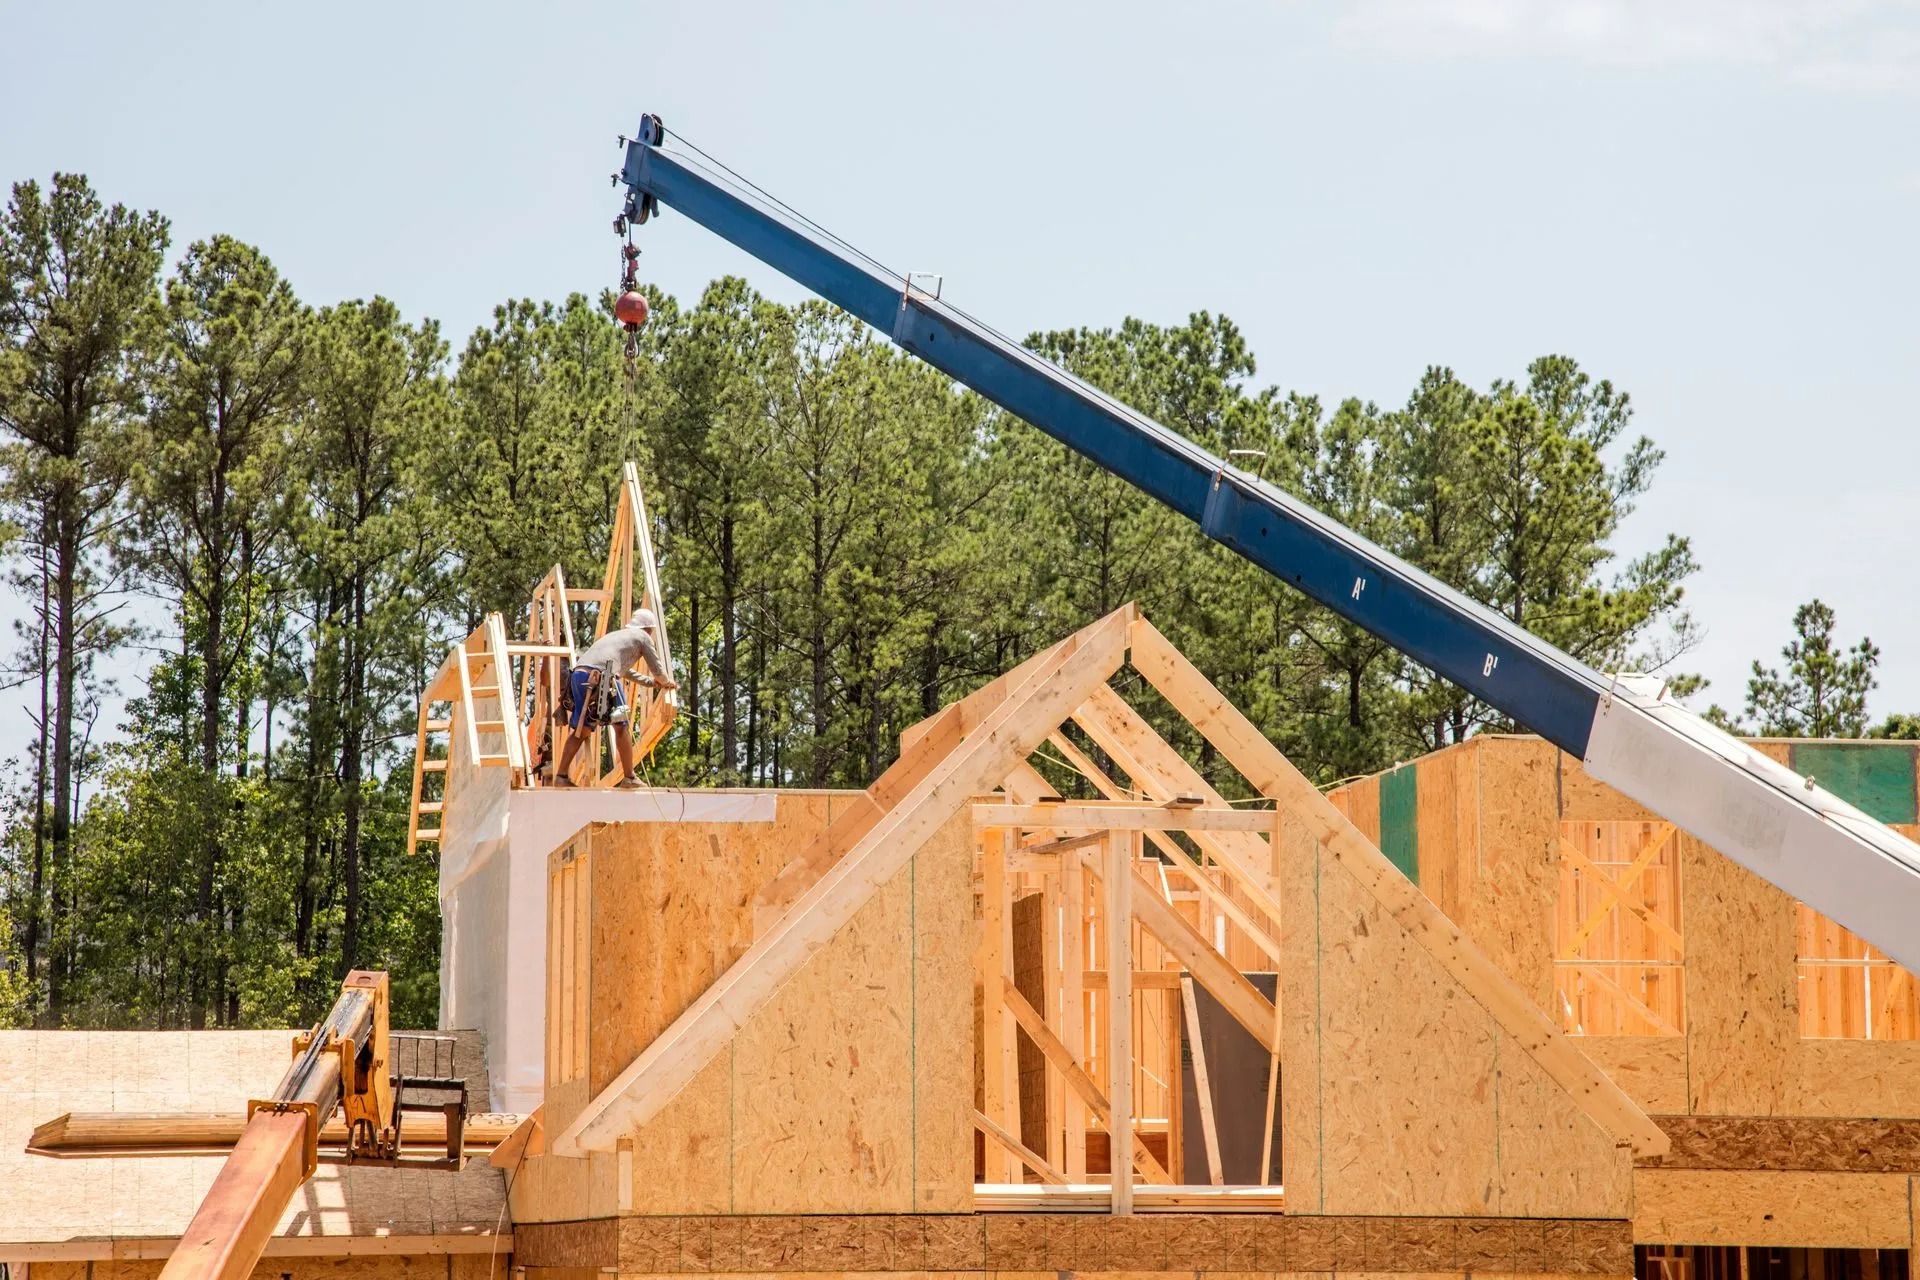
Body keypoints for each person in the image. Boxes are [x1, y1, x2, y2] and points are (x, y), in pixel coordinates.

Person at [553, 608, 679, 789]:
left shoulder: (618, 637)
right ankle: (629, 777)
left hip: (579, 676)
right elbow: (657, 668)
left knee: (583, 729)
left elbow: (625, 670)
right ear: (649, 629)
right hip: (605, 679)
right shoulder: (643, 637)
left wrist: (651, 683)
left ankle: (561, 776)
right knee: (621, 726)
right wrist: (666, 682)